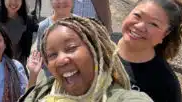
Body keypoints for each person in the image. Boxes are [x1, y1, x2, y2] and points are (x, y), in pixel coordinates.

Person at [20, 16, 153, 101]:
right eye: (52, 55)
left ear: (94, 49)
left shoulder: (122, 98)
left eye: (71, 48)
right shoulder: (42, 93)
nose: (61, 60)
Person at [117, 0, 182, 102]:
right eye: (137, 15)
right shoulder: (100, 42)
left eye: (154, 24)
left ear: (165, 34)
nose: (140, 26)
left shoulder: (165, 84)